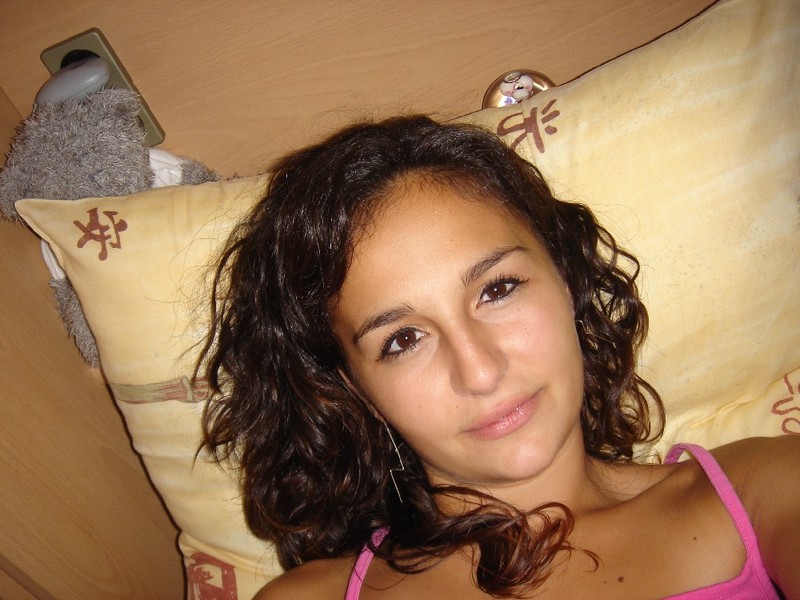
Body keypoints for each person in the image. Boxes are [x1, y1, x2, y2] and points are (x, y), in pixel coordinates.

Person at [199, 115, 799, 599]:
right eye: (403, 340)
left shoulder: (765, 491)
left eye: (497, 289)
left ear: (565, 277)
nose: (481, 371)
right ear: (356, 390)